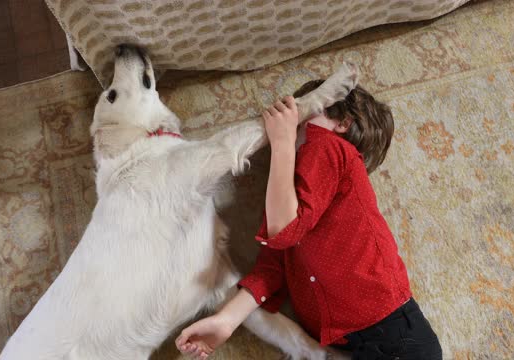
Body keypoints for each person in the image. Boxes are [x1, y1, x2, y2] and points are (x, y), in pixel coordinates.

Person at [175, 80, 443, 360]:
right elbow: (270, 269)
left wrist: (282, 142)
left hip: (395, 335)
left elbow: (283, 228)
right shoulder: (284, 202)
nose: (294, 124)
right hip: (362, 344)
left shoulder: (332, 148)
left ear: (342, 122)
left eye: (303, 117)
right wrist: (226, 321)